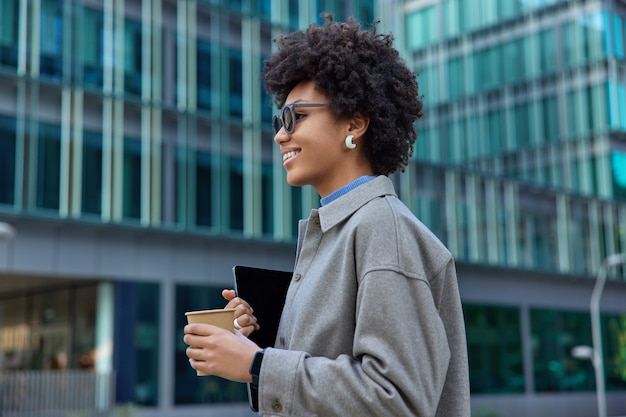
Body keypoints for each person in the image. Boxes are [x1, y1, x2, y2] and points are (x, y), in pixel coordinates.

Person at [184, 14, 470, 416]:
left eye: (295, 117)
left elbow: (397, 399)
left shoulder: (380, 228)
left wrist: (257, 365)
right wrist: (259, 340)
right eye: (277, 120)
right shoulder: (339, 231)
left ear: (354, 124)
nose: (280, 134)